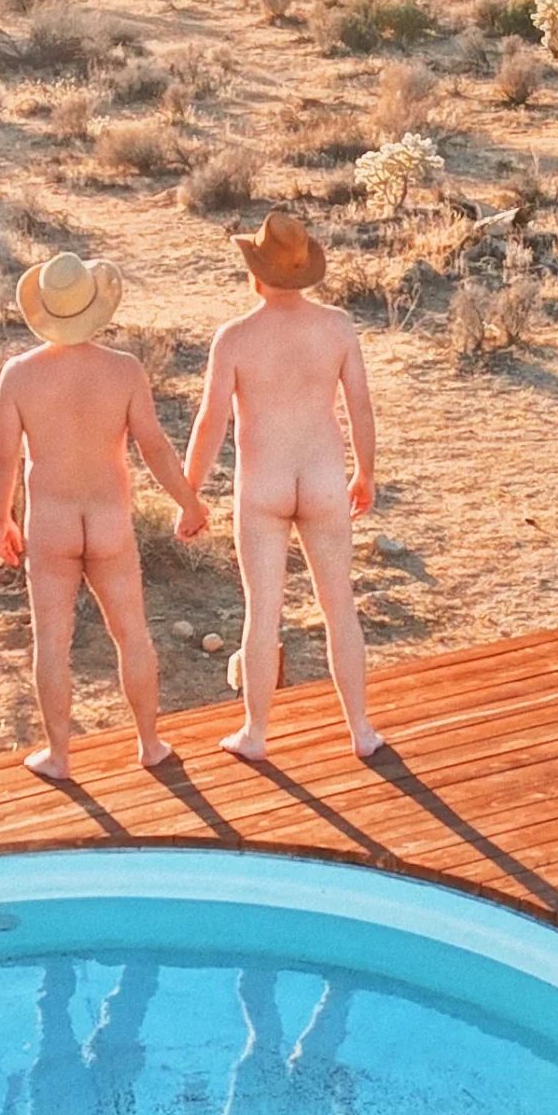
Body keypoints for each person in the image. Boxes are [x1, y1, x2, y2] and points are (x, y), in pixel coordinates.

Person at [0, 252, 208, 779]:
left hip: (52, 524)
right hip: (108, 520)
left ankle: (60, 756)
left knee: (52, 643)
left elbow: (2, 456)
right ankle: (150, 744)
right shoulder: (124, 371)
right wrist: (189, 502)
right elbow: (154, 447)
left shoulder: (19, 376)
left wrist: (2, 519)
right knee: (132, 633)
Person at [183, 211, 382, 761]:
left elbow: (210, 422)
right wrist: (365, 471)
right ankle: (361, 731)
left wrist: (189, 493)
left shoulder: (236, 338)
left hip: (263, 484)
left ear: (256, 271)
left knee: (262, 610)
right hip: (322, 477)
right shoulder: (337, 327)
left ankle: (255, 734)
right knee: (339, 604)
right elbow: (359, 406)